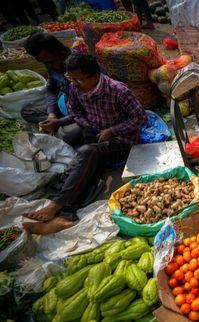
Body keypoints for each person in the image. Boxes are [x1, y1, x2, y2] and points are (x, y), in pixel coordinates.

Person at [22, 53, 147, 235]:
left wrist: (112, 131)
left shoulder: (118, 91)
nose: (74, 84)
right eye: (70, 79)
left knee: (87, 153)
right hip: (95, 134)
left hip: (122, 141)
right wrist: (86, 125)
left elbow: (140, 118)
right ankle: (65, 215)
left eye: (78, 79)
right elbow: (75, 111)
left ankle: (57, 206)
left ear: (95, 76)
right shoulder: (75, 87)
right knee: (83, 165)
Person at [23, 33, 85, 146]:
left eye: (50, 62)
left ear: (60, 52)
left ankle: (58, 127)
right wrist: (51, 114)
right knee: (27, 111)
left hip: (83, 114)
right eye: (44, 63)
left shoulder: (82, 66)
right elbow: (51, 89)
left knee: (65, 137)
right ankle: (55, 125)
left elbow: (86, 110)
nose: (48, 66)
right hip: (64, 107)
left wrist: (60, 121)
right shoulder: (53, 65)